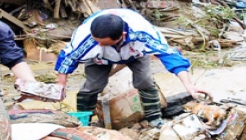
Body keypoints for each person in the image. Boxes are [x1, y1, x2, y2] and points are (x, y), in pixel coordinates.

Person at [55, 9, 210, 129]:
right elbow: (67, 59)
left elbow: (171, 57)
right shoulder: (85, 38)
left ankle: (155, 119)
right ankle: (84, 122)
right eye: (97, 41)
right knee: (92, 86)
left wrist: (189, 86)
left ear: (122, 35)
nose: (100, 44)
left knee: (145, 81)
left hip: (135, 53)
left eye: (105, 43)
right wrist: (60, 86)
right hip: (98, 59)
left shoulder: (143, 33)